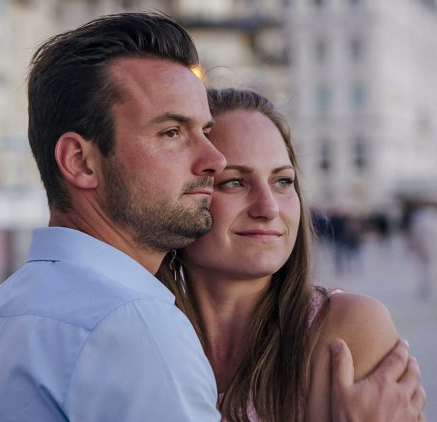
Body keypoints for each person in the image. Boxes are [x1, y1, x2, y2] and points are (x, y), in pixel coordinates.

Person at [0, 12, 423, 421]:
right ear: (80, 162)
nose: (210, 161)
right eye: (172, 133)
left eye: (284, 181)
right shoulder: (137, 328)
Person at [159, 88, 426, 421]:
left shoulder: (345, 330)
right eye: (234, 182)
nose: (269, 207)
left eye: (283, 181)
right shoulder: (142, 334)